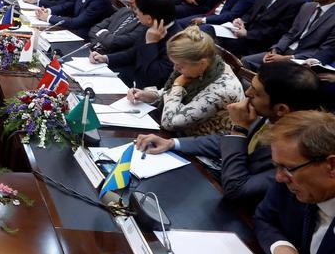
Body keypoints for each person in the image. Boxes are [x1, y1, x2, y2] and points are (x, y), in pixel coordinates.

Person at [136, 61, 320, 203]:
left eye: (255, 93)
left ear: (281, 109)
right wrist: (172, 143)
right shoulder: (268, 115)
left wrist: (239, 129)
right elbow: (226, 141)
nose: (246, 93)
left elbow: (237, 190)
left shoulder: (301, 148)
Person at [216, 110, 335, 254]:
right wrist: (285, 249)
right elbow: (264, 217)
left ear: (331, 166)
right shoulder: (294, 182)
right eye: (276, 166)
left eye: (287, 168)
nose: (279, 177)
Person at [126, 26, 244, 136]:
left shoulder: (222, 89)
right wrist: (148, 95)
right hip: (182, 136)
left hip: (200, 149)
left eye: (180, 66)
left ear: (202, 63)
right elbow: (169, 94)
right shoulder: (207, 65)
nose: (175, 69)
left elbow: (169, 123)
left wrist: (177, 85)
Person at [243, 0, 335, 69]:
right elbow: (290, 34)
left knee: (263, 71)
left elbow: (324, 51)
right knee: (245, 61)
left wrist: (288, 58)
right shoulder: (307, 7)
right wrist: (276, 49)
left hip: (304, 61)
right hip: (284, 51)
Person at [95, 0, 178, 87]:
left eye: (137, 12)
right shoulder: (152, 25)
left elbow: (156, 77)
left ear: (148, 18)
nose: (136, 15)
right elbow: (134, 53)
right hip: (128, 75)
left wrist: (151, 43)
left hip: (145, 90)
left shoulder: (176, 41)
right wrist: (105, 58)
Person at [88, 0, 158, 54]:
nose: (130, 0)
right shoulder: (125, 10)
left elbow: (113, 43)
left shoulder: (146, 24)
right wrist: (98, 42)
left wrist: (101, 35)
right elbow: (94, 29)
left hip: (110, 59)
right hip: (92, 49)